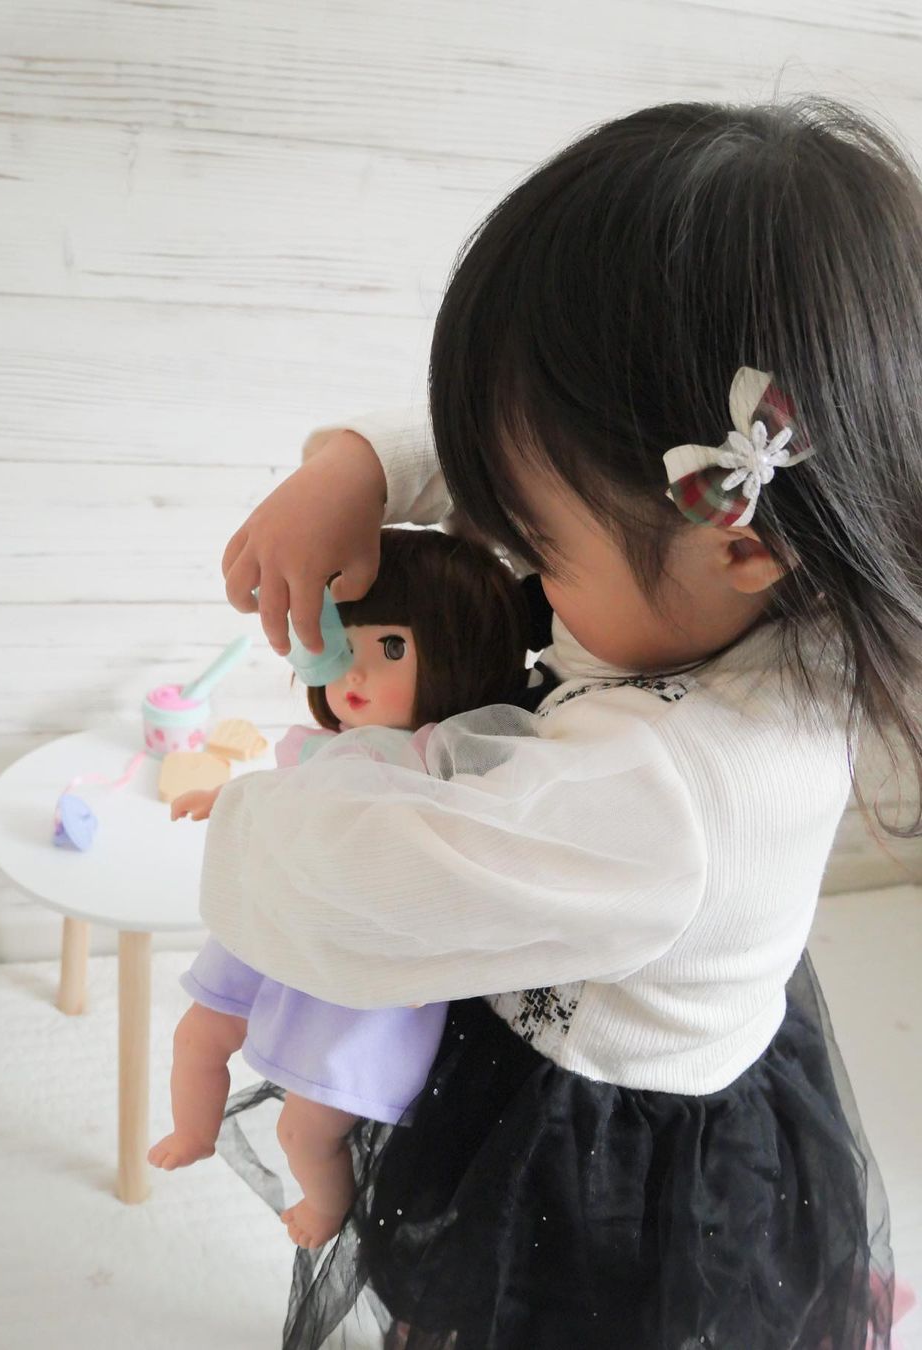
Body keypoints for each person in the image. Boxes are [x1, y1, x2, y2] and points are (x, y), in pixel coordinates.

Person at [202, 99, 922, 1349]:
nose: (517, 565)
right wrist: (357, 467)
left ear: (737, 539)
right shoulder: (798, 567)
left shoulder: (661, 791)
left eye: (537, 545)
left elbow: (352, 896)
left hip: (603, 1160)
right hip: (692, 1037)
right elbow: (548, 454)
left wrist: (262, 803)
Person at [150, 527, 530, 1251]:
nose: (353, 672)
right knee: (198, 1034)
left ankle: (327, 1205)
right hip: (279, 915)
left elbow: (449, 870)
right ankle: (194, 1131)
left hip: (364, 955)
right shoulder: (319, 748)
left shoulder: (434, 763)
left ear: (459, 661)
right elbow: (285, 796)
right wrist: (229, 799)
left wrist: (434, 958)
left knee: (308, 1125)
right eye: (341, 645)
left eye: (391, 648)